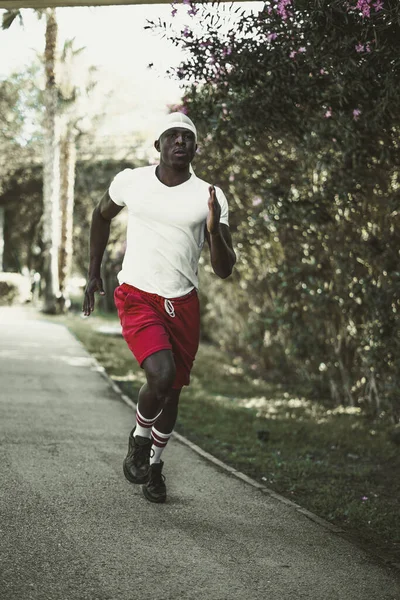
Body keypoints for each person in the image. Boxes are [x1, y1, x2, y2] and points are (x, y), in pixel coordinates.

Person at [83, 112, 236, 503]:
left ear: (196, 147)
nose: (180, 142)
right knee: (161, 375)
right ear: (159, 146)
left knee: (172, 392)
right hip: (137, 294)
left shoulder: (210, 196)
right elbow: (100, 217)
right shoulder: (132, 181)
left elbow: (223, 269)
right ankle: (138, 440)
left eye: (188, 137)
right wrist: (93, 271)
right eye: (172, 136)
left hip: (182, 301)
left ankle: (154, 467)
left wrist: (215, 227)